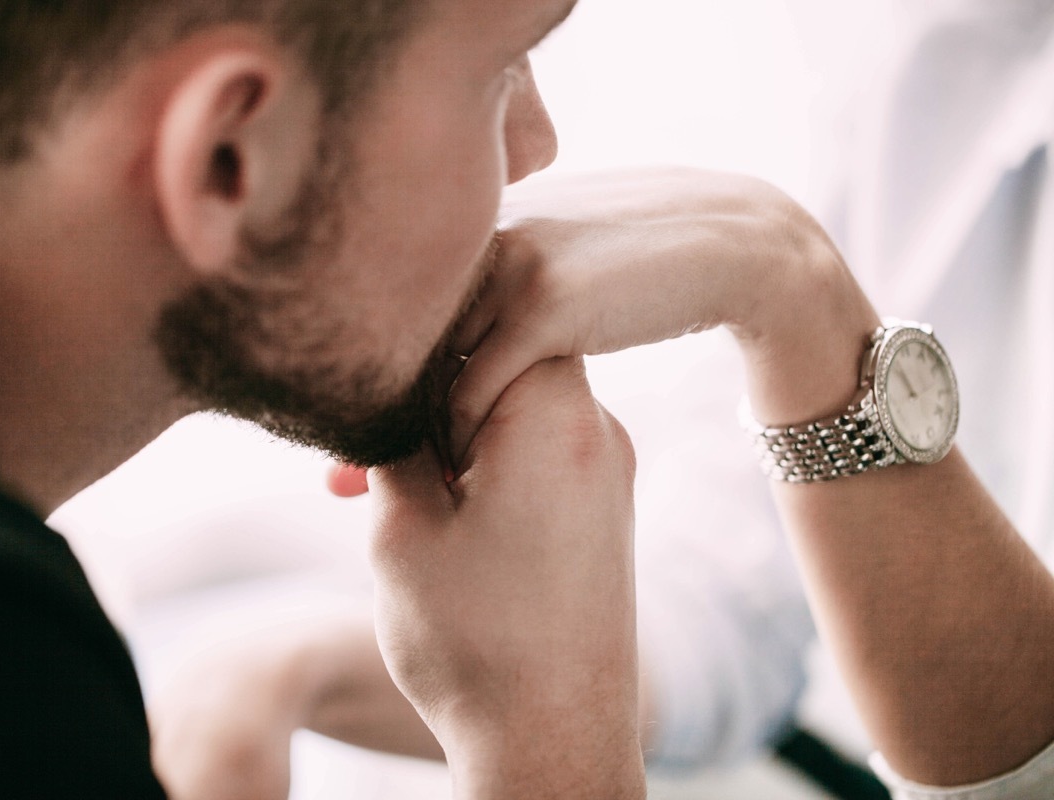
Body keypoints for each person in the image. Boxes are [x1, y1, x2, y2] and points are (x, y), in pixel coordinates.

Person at [151, 2, 1054, 799]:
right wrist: (293, 662)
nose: (539, 145)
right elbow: (727, 612)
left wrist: (807, 312)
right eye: (497, 67)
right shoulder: (944, 53)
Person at [0, 1, 647, 797]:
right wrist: (556, 718)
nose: (534, 148)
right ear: (228, 157)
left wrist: (779, 296)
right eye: (498, 71)